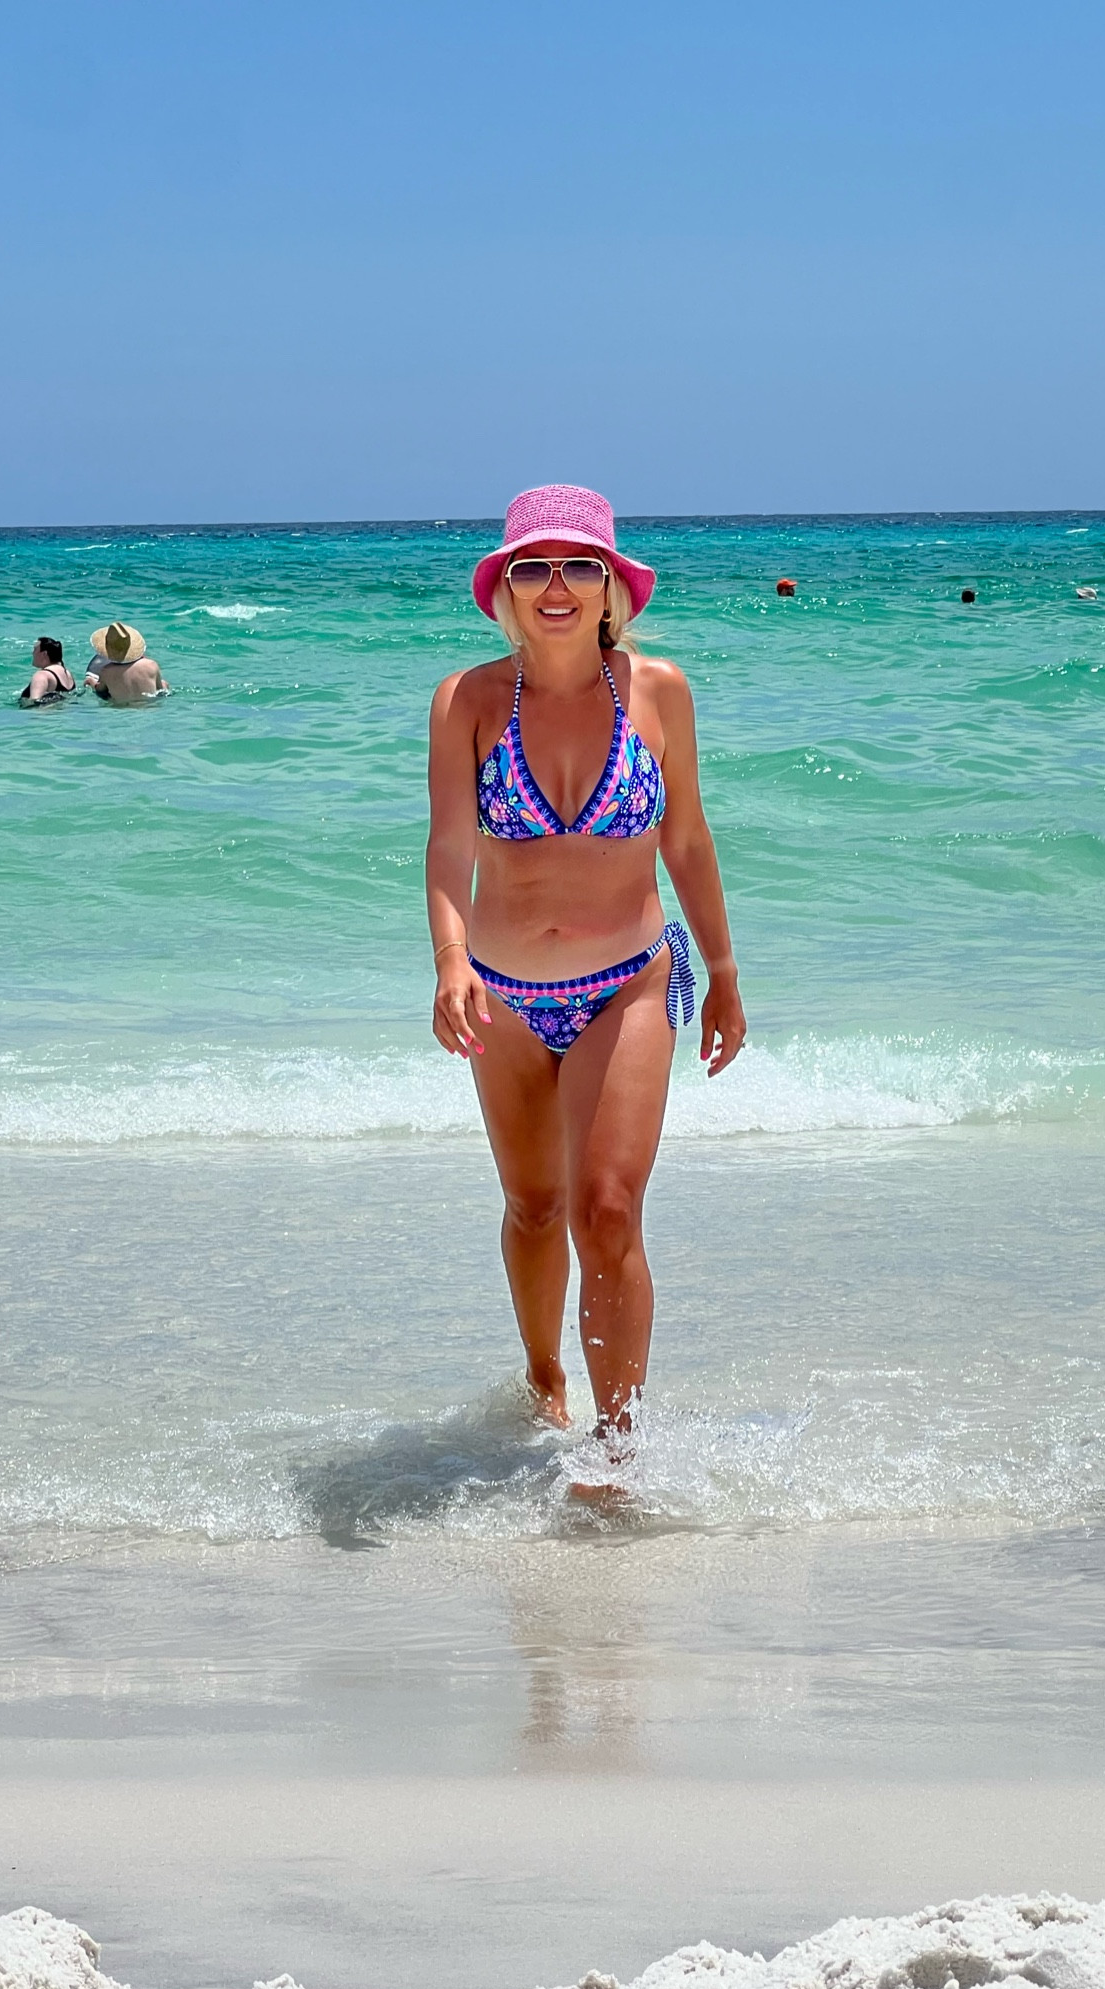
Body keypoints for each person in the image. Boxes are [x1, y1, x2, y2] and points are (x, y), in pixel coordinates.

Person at [426, 485, 746, 1446]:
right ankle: (542, 1376)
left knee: (606, 1210)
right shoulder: (468, 700)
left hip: (629, 982)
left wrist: (724, 970)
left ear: (612, 587)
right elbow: (448, 848)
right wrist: (450, 962)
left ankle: (619, 1443)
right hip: (505, 995)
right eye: (533, 568)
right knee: (534, 1207)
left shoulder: (660, 692)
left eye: (578, 566)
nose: (555, 585)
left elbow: (686, 839)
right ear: (507, 591)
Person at [86, 622, 167, 702]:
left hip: (121, 708)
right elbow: (160, 690)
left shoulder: (106, 671)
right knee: (164, 683)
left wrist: (91, 681)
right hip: (149, 708)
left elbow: (100, 690)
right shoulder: (151, 665)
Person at [19, 637, 77, 706]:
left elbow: (34, 705)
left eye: (35, 650)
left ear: (44, 654)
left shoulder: (42, 675)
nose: (32, 653)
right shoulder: (67, 673)